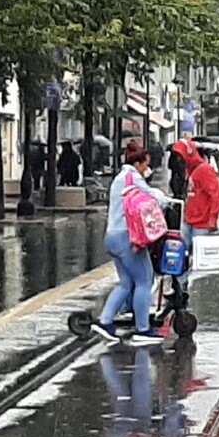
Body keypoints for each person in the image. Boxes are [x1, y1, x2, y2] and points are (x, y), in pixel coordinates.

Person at [92, 142, 173, 346]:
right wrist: (167, 200)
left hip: (112, 236)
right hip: (127, 238)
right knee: (145, 280)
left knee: (126, 283)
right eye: (146, 164)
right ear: (137, 164)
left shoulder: (119, 178)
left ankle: (105, 322)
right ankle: (143, 329)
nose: (147, 169)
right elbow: (151, 196)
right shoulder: (132, 177)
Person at [172, 139, 219, 297]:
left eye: (181, 156)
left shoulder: (204, 170)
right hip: (191, 219)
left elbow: (216, 195)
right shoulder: (192, 170)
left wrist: (212, 219)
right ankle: (181, 287)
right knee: (184, 252)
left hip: (202, 222)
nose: (179, 159)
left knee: (208, 255)